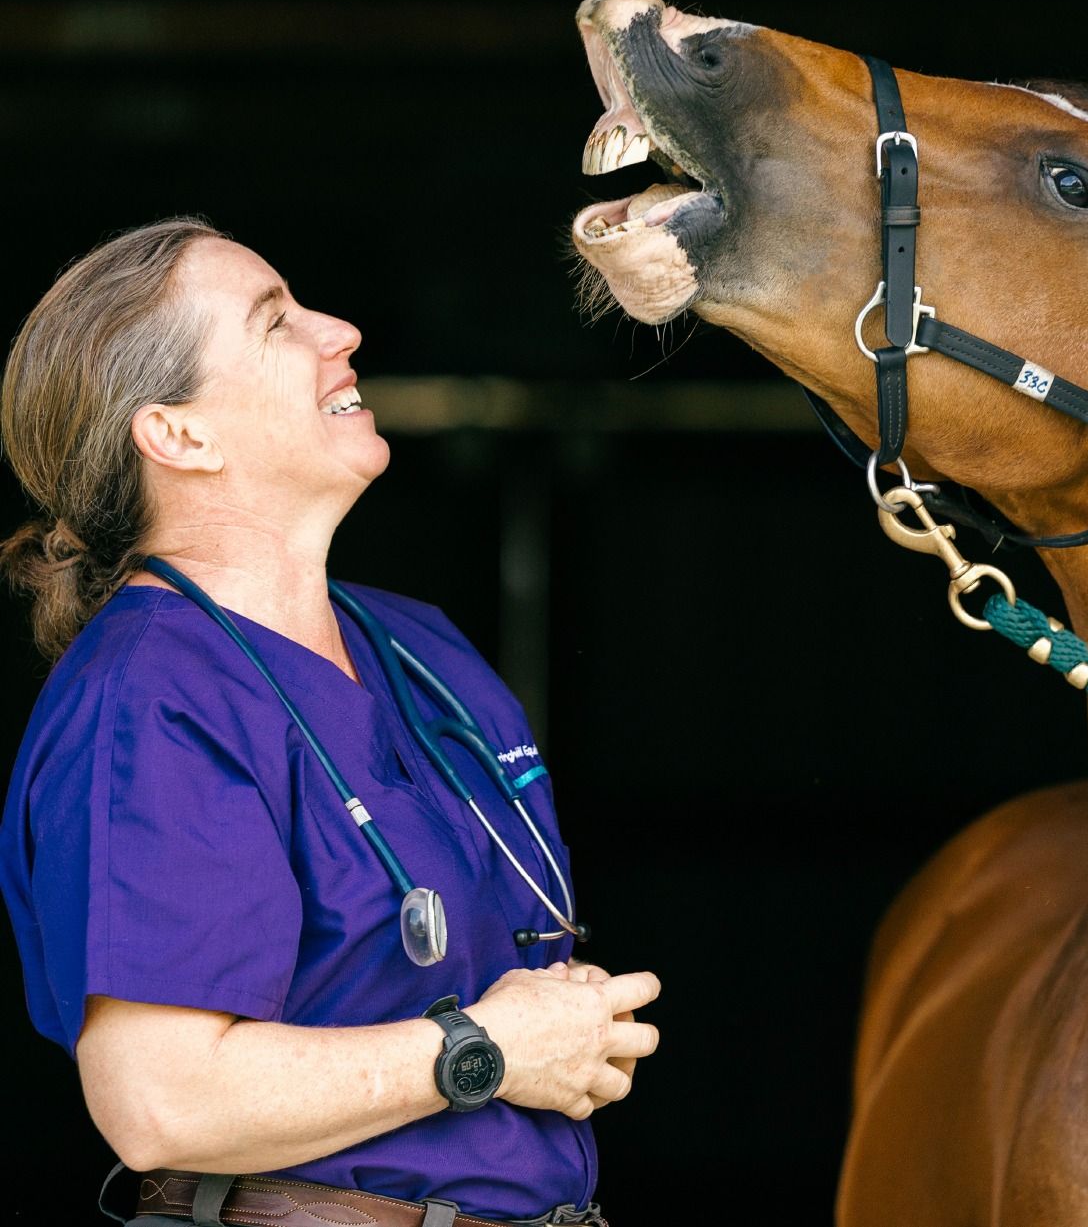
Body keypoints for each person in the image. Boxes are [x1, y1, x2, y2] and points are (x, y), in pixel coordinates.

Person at [0, 217, 660, 1227]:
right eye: (276, 324)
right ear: (179, 435)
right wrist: (484, 1051)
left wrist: (559, 1023)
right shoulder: (148, 698)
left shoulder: (420, 650)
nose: (340, 330)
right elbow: (162, 1102)